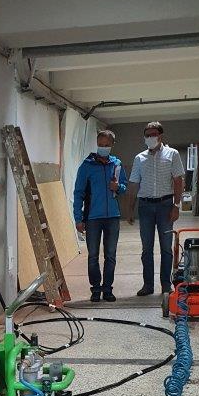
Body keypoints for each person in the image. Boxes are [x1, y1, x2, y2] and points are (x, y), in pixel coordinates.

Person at [127, 121, 185, 296]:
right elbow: (134, 183)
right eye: (147, 135)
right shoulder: (139, 158)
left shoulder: (172, 154)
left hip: (165, 206)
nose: (150, 138)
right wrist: (130, 209)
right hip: (145, 207)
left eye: (154, 134)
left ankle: (166, 285)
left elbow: (178, 181)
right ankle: (148, 285)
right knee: (147, 249)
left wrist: (176, 206)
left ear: (160, 136)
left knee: (166, 248)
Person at [73, 129, 127, 302]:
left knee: (110, 255)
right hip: (93, 218)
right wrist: (78, 218)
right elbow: (78, 193)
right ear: (97, 144)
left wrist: (118, 187)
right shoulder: (87, 166)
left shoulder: (117, 164)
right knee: (93, 255)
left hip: (112, 217)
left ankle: (107, 289)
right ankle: (96, 289)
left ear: (112, 145)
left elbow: (124, 187)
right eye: (100, 145)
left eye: (106, 145)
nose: (103, 147)